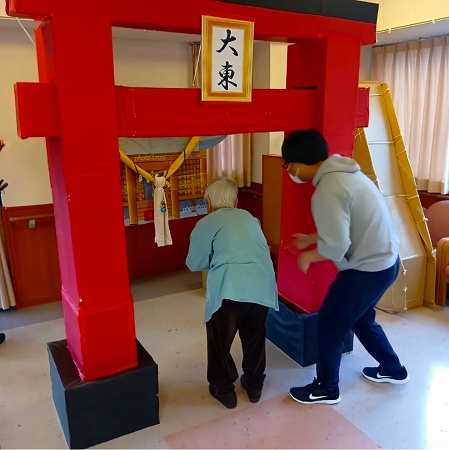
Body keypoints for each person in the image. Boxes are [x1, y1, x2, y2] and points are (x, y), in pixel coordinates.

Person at [281, 129, 409, 405]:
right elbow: (349, 226)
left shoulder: (328, 189)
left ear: (298, 163)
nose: (289, 171)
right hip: (386, 263)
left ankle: (326, 388)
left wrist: (308, 256)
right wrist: (311, 239)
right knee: (360, 318)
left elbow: (337, 246)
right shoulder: (347, 175)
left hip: (366, 270)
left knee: (329, 324)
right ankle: (393, 369)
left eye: (287, 164)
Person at [186, 177, 278, 409]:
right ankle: (255, 385)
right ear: (236, 201)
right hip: (262, 287)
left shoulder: (207, 223)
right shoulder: (250, 218)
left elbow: (194, 263)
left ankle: (223, 388)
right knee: (255, 338)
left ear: (208, 201)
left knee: (220, 341)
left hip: (229, 290)